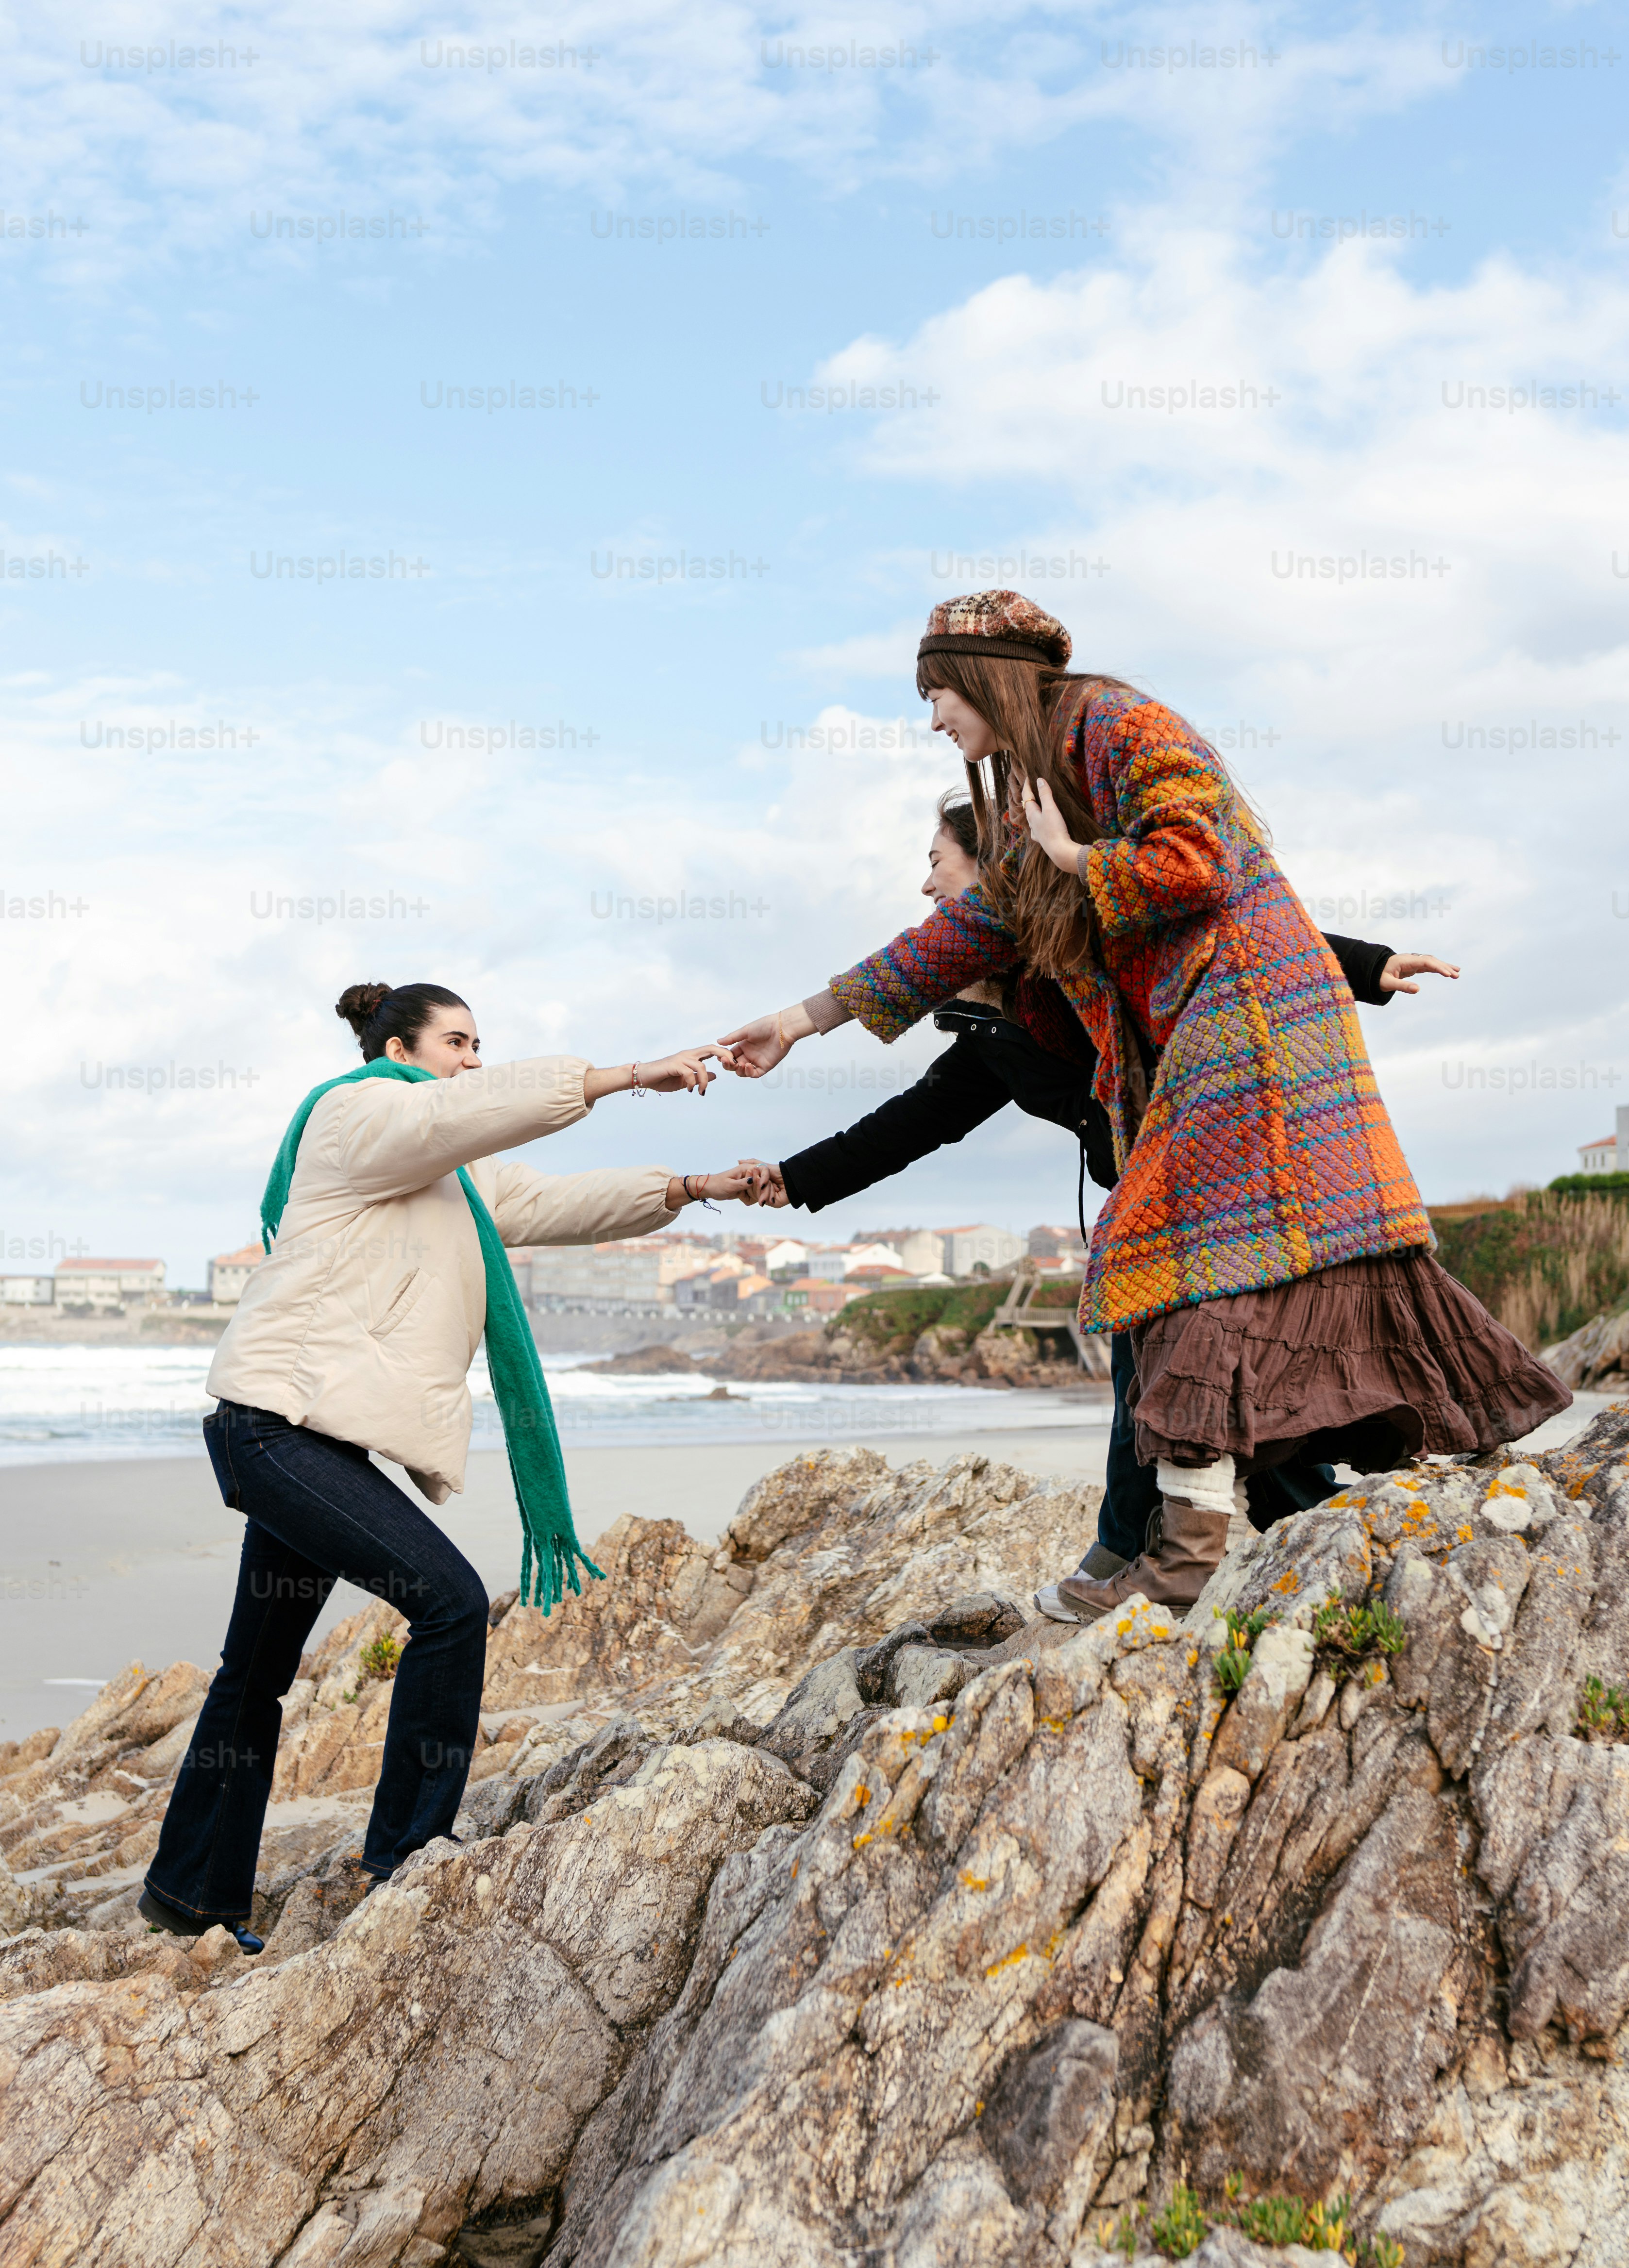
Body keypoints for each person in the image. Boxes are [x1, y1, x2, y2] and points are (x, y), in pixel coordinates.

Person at [719, 589, 1569, 1623]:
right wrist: (796, 1019)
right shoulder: (1041, 782)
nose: (933, 718)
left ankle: (1170, 1562)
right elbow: (956, 943)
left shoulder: (1116, 721)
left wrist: (1085, 864)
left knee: (1169, 1261)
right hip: (1213, 1019)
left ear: (985, 676)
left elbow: (1203, 861)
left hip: (1246, 1011)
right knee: (1240, 1268)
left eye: (937, 692)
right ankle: (1229, 1532)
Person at [142, 981, 762, 1952]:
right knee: (449, 1602)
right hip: (273, 1429)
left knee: (252, 1676)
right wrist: (634, 1074)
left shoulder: (450, 1178)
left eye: (482, 1044)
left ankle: (188, 1891)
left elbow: (558, 1202)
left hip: (311, 1436)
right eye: (458, 1040)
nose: (474, 1059)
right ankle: (406, 1857)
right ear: (397, 1047)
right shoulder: (359, 1116)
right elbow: (460, 1111)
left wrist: (691, 1188)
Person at [741, 789, 1460, 1596]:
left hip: (1221, 1177)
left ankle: (1126, 1560)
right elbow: (908, 1127)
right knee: (1212, 1387)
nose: (926, 886)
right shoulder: (991, 1028)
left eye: (936, 862)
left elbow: (1225, 941)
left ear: (995, 873)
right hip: (1158, 1198)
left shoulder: (1084, 938)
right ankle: (1324, 1544)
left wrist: (1368, 965)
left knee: (1155, 1386)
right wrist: (793, 1179)